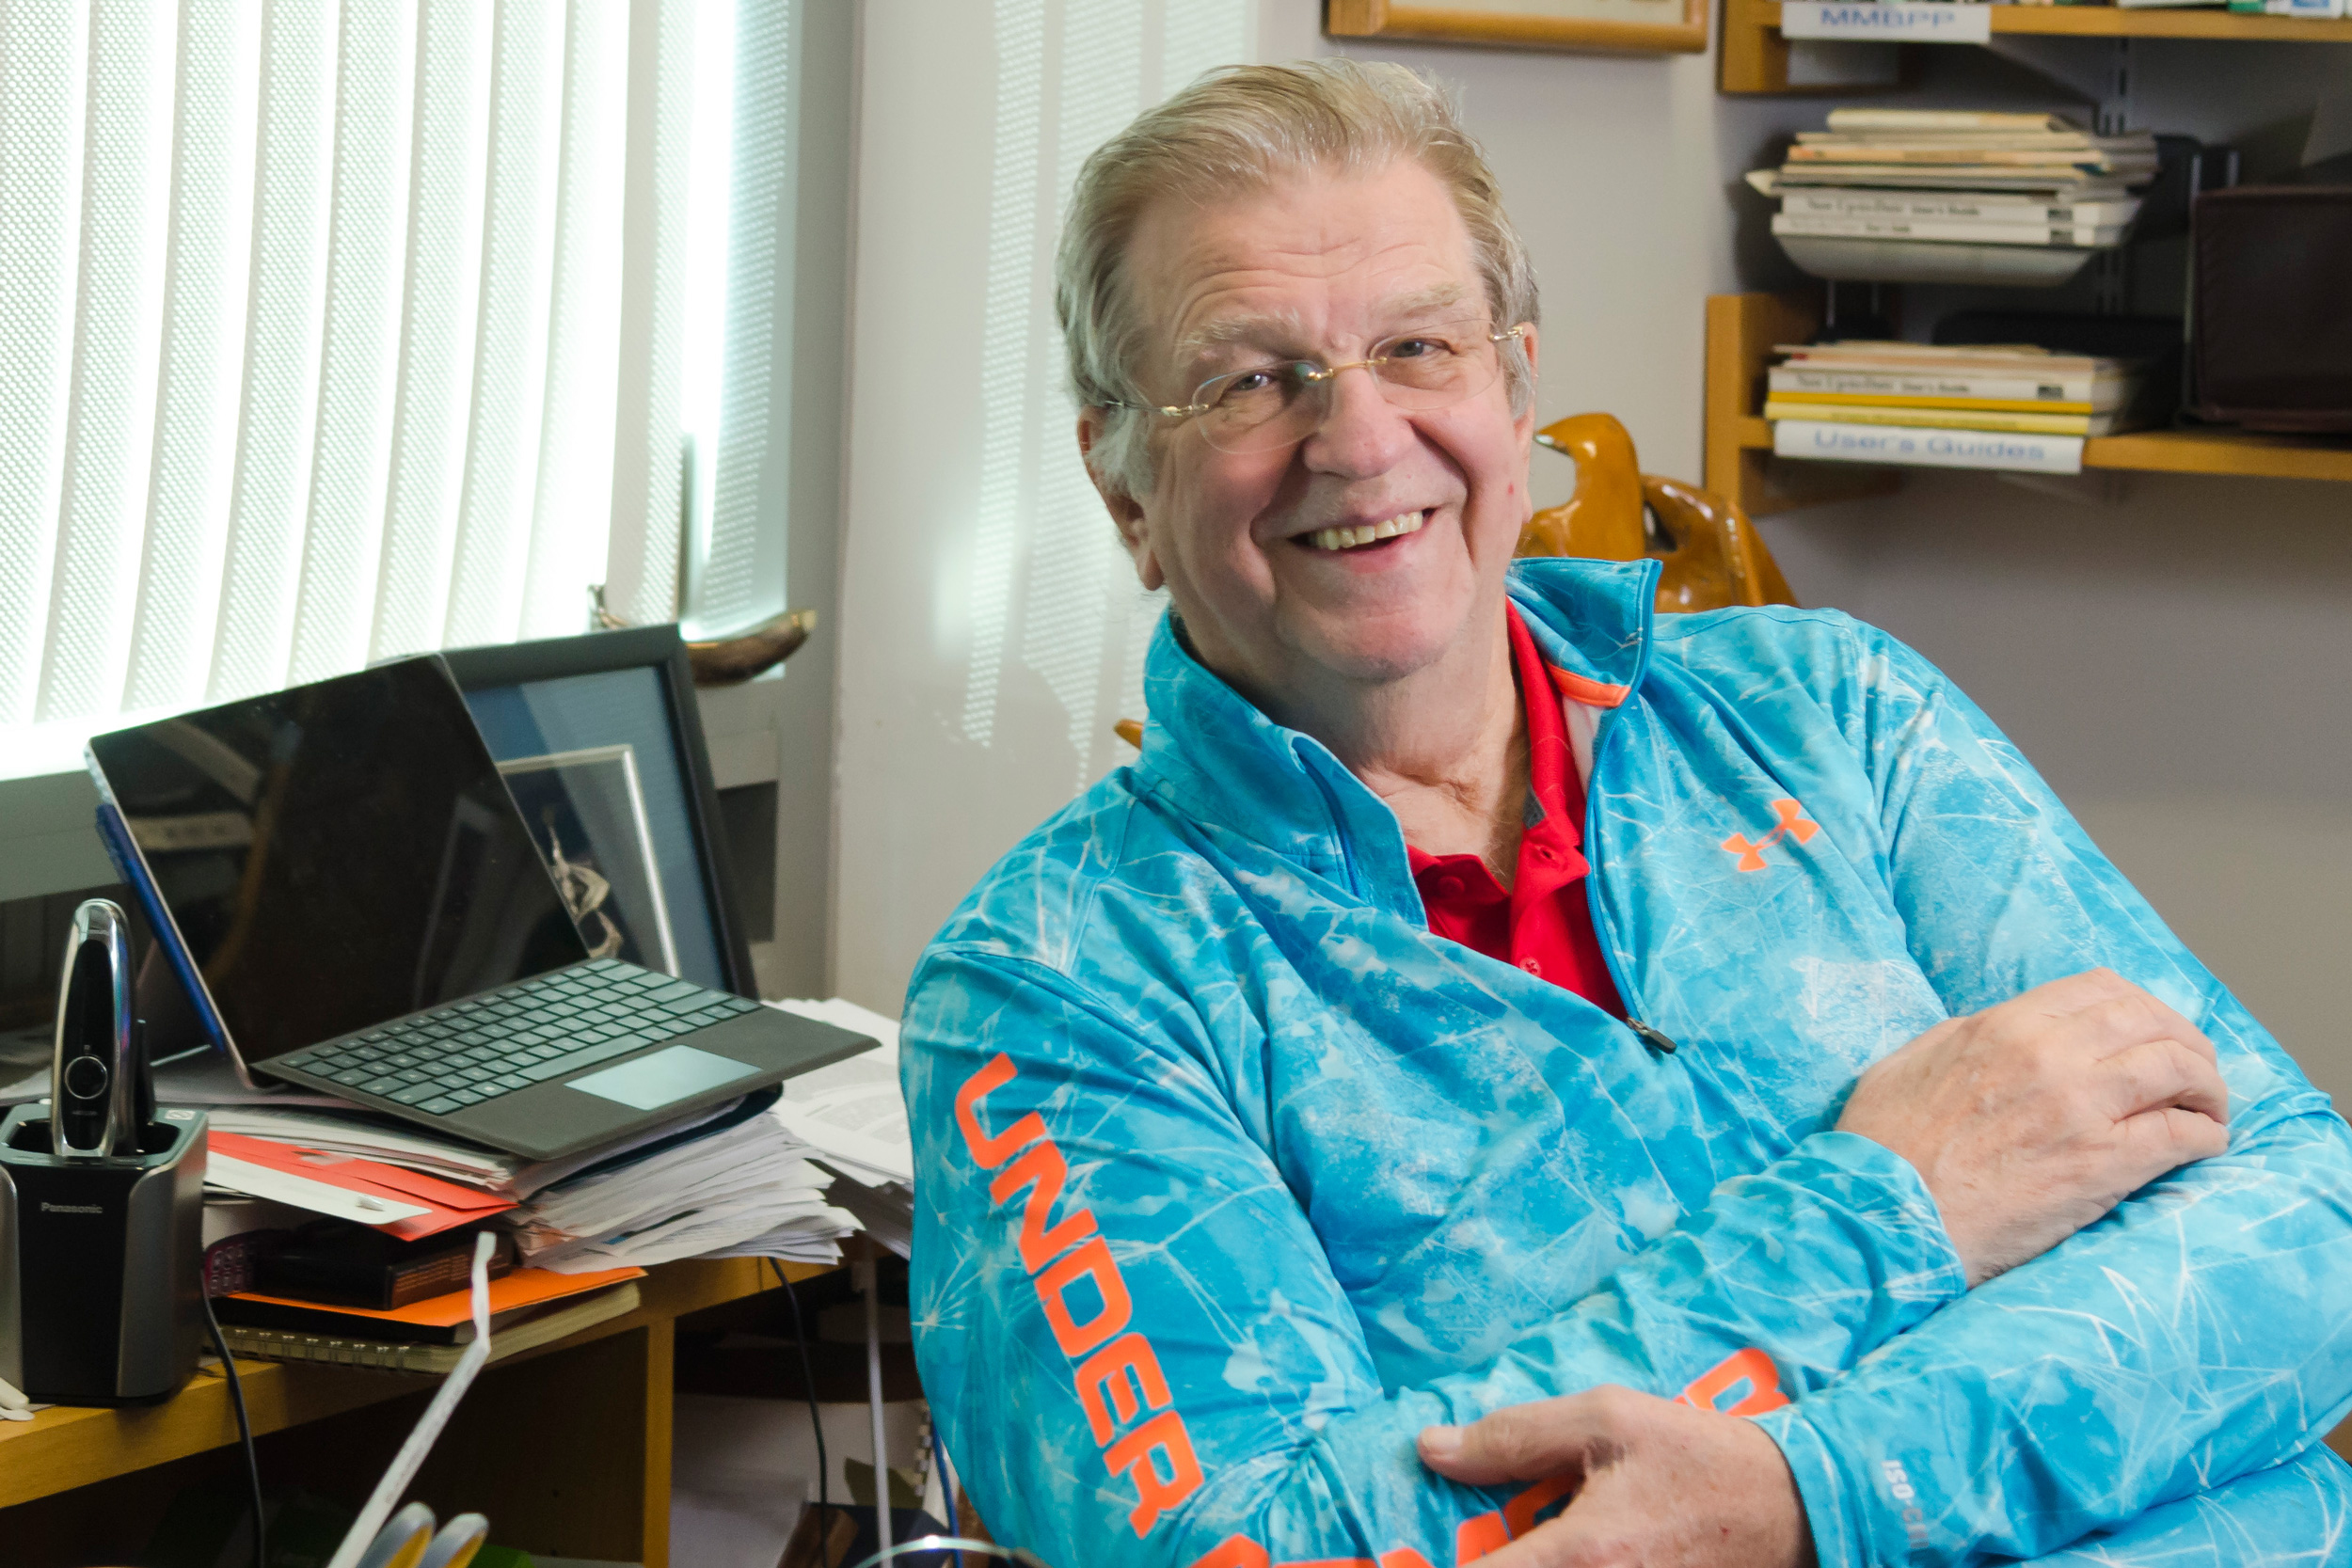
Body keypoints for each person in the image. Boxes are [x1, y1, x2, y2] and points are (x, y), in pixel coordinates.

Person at [900, 60, 2352, 1568]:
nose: (1360, 439)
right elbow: (1246, 1548)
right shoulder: (1061, 984)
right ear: (1123, 484)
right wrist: (1893, 1206)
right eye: (1250, 381)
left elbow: (2304, 1215)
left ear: (1516, 389)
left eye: (1418, 347)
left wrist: (1815, 1496)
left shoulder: (1829, 711)